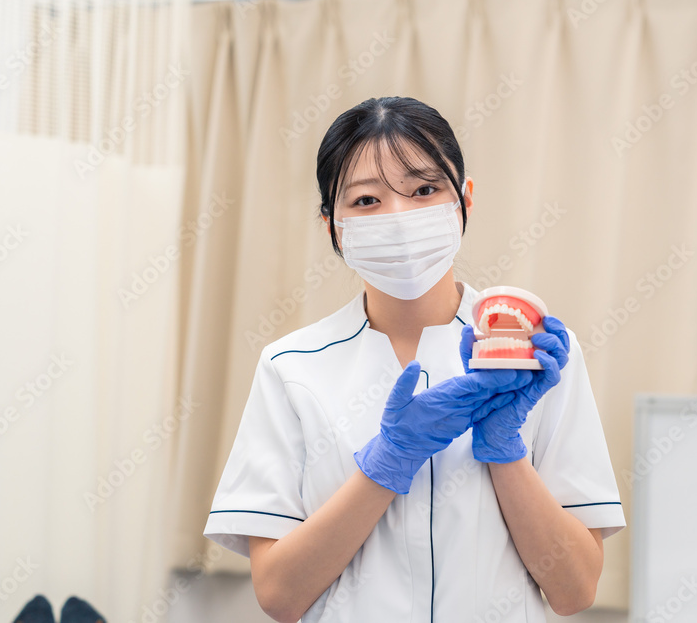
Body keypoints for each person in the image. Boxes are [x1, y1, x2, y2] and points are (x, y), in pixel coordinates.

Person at [203, 96, 625, 623]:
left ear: (464, 200)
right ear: (332, 225)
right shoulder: (291, 367)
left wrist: (504, 447)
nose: (399, 218)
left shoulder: (531, 355)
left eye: (425, 190)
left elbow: (575, 591)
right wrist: (389, 461)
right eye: (366, 200)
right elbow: (280, 597)